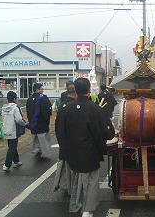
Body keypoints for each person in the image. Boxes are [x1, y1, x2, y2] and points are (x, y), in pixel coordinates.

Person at [58, 78, 109, 217]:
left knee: (76, 178)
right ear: (89, 91)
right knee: (92, 180)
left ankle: (76, 204)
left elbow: (61, 131)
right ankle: (87, 209)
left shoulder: (67, 108)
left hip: (72, 150)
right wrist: (102, 147)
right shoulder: (95, 108)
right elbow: (104, 132)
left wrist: (65, 149)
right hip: (90, 150)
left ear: (75, 91)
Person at [54, 84, 76, 194]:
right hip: (70, 143)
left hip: (62, 141)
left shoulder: (62, 105)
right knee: (70, 169)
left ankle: (63, 185)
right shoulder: (73, 106)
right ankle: (69, 189)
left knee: (64, 167)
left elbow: (57, 125)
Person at [1, 91, 27, 172]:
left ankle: (16, 161)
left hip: (6, 129)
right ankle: (7, 165)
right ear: (15, 99)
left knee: (12, 145)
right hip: (14, 130)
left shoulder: (4, 107)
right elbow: (19, 119)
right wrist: (24, 124)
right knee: (12, 147)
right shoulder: (15, 108)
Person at [26, 83, 52, 158]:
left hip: (33, 124)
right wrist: (47, 121)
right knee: (44, 140)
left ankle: (36, 151)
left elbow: (28, 112)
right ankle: (45, 154)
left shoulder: (29, 99)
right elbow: (47, 111)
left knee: (35, 139)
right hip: (42, 124)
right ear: (37, 90)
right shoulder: (43, 99)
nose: (42, 90)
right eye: (41, 89)